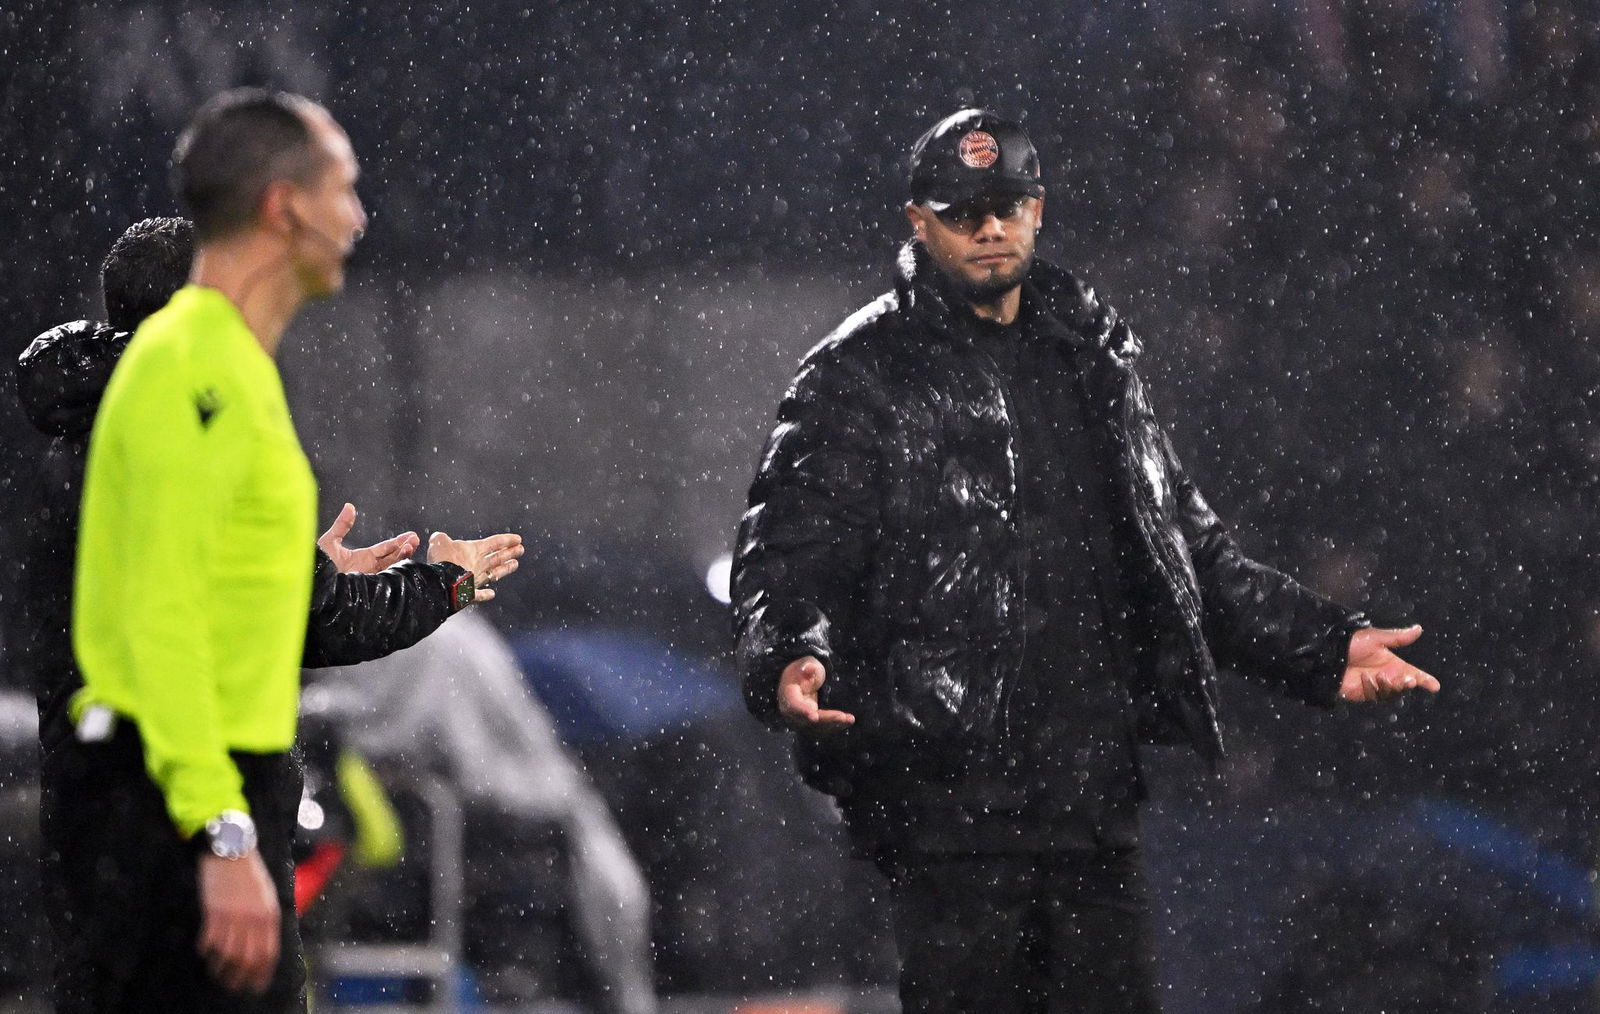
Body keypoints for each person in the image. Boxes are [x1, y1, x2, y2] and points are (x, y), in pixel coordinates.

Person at [731, 108, 1441, 1014]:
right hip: (951, 811)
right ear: (918, 222)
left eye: (1006, 205)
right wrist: (792, 650)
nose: (989, 228)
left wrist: (1323, 646)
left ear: (1038, 209)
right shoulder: (858, 373)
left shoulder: (1095, 357)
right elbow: (793, 550)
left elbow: (1184, 553)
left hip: (1089, 804)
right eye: (961, 211)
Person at [61, 90, 504, 1013]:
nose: (359, 217)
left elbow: (208, 594)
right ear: (283, 206)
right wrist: (220, 834)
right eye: (343, 187)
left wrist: (303, 580)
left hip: (201, 796)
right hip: (178, 806)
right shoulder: (193, 369)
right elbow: (160, 616)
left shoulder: (226, 364)